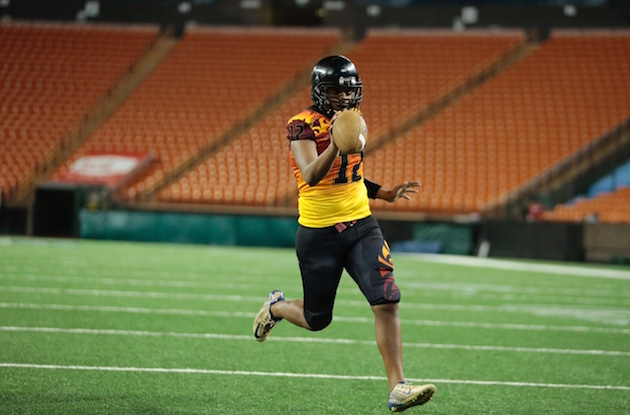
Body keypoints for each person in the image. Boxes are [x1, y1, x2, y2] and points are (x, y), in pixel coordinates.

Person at [253, 55, 436, 412]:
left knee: (387, 300)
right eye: (337, 92)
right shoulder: (302, 125)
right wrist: (336, 142)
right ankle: (276, 307)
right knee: (316, 319)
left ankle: (397, 387)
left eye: (350, 92)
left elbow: (349, 174)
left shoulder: (355, 120)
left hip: (362, 225)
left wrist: (383, 193)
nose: (345, 99)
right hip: (319, 232)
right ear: (321, 93)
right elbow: (311, 175)